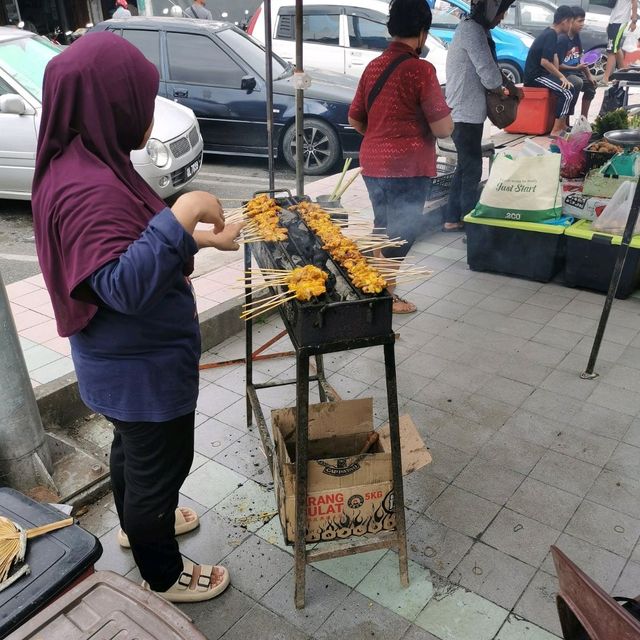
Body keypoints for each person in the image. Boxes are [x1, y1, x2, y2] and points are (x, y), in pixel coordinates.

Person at [32, 32, 243, 603]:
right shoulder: (85, 189)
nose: (146, 115)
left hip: (122, 367)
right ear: (106, 104)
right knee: (159, 470)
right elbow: (122, 285)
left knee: (134, 453)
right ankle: (163, 572)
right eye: (138, 102)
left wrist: (198, 239)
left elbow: (126, 250)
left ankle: (136, 522)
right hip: (140, 370)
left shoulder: (80, 159)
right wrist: (187, 207)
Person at [348, 0, 453, 314]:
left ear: (391, 29)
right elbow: (444, 128)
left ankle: (373, 286)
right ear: (423, 33)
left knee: (384, 225)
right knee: (401, 232)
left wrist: (380, 134)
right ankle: (384, 297)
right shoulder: (421, 70)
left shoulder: (374, 66)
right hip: (407, 167)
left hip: (373, 163)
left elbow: (355, 118)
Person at [444, 0, 520, 232]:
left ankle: (451, 218)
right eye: (501, 12)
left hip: (464, 110)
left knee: (465, 165)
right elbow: (488, 73)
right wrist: (502, 88)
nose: (502, 18)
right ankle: (470, 222)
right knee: (473, 166)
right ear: (490, 9)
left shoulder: (471, 27)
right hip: (464, 113)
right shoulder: (472, 30)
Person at [523, 5, 576, 137]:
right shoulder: (551, 34)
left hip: (541, 75)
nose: (570, 26)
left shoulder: (551, 33)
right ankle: (556, 129)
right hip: (535, 77)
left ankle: (562, 125)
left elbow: (552, 59)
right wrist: (562, 77)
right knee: (567, 91)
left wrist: (559, 76)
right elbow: (544, 62)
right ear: (565, 21)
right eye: (571, 22)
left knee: (569, 86)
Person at [558, 6, 596, 120]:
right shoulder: (562, 39)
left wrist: (589, 75)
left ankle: (583, 119)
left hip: (575, 71)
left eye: (583, 21)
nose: (582, 24)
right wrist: (576, 68)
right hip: (564, 74)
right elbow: (557, 65)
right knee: (576, 82)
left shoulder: (576, 36)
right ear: (570, 21)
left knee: (591, 86)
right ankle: (565, 120)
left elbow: (581, 58)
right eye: (580, 21)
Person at [603, 0, 638, 83]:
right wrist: (609, 23)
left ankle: (605, 79)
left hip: (620, 21)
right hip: (614, 20)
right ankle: (624, 74)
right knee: (616, 47)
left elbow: (634, 2)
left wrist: (634, 21)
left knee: (611, 50)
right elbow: (616, 6)